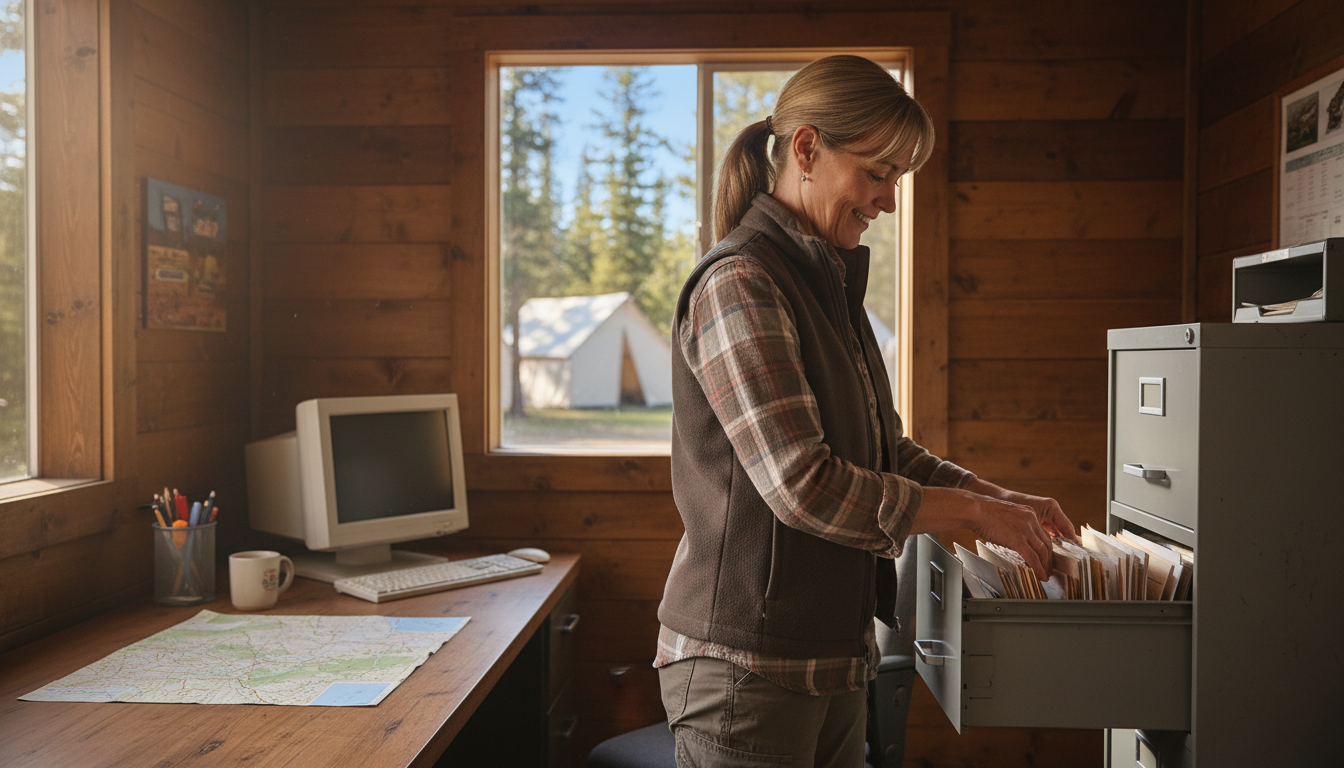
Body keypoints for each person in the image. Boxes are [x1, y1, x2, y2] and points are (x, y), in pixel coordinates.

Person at [655, 55, 1078, 768]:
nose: (887, 200)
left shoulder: (824, 280)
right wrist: (973, 516)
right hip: (745, 671)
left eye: (897, 180)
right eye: (877, 173)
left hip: (833, 661)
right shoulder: (741, 282)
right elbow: (805, 484)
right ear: (807, 150)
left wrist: (998, 498)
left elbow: (884, 449)